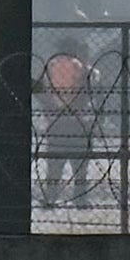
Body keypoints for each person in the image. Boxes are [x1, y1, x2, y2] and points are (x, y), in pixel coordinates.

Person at [36, 49, 99, 213]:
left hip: (56, 124)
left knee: (54, 166)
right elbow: (92, 92)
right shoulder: (85, 70)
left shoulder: (51, 67)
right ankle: (80, 200)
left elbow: (40, 91)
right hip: (80, 124)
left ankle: (50, 199)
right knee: (80, 167)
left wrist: (49, 110)